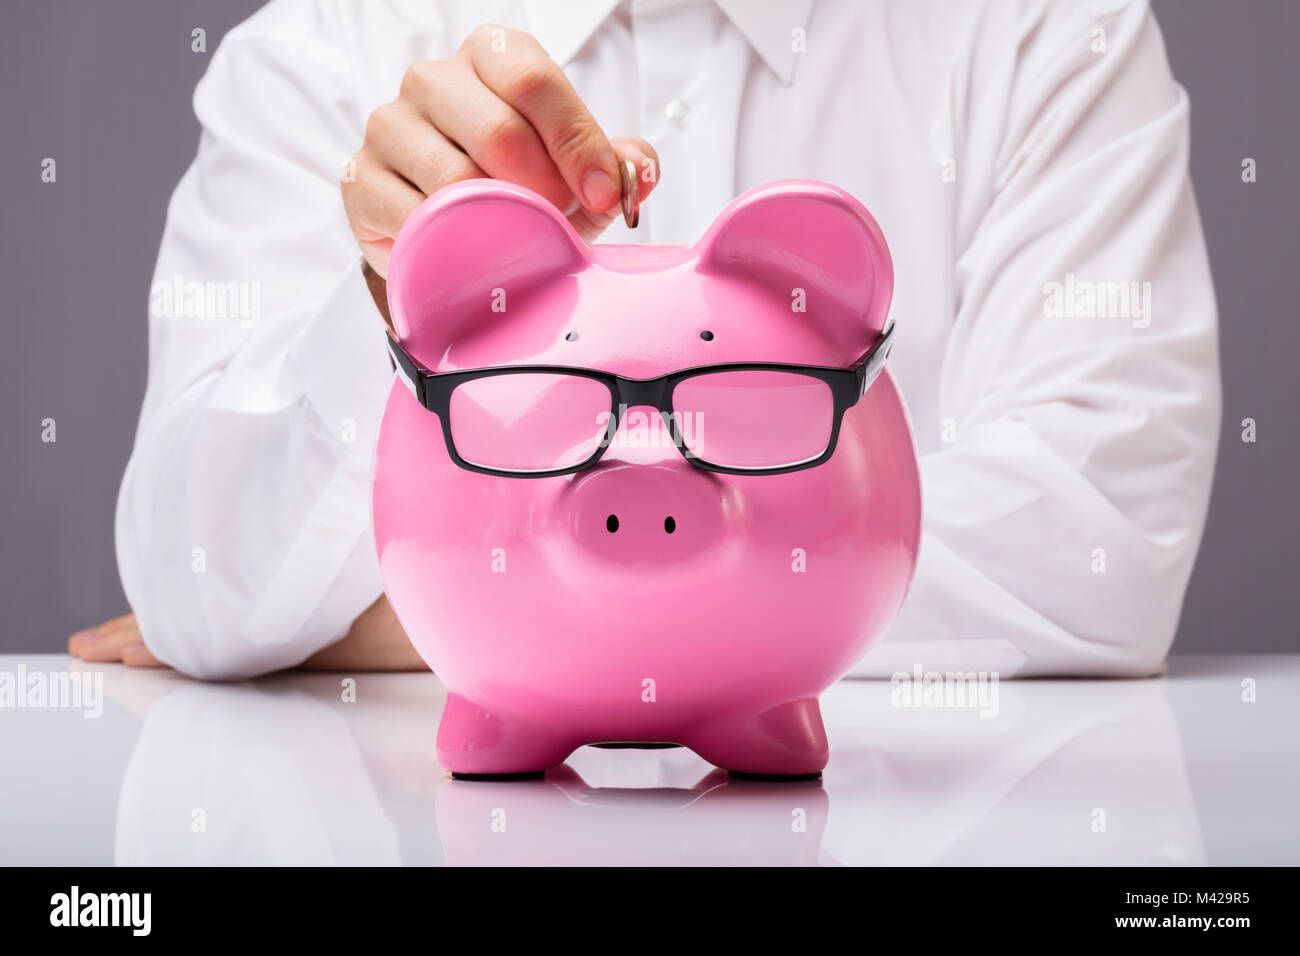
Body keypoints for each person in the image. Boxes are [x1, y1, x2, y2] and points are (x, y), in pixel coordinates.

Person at [68, 0, 1220, 680]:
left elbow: (1095, 541)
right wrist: (384, 299)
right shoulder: (320, 45)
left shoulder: (1045, 29)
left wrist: (424, 618)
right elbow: (200, 575)